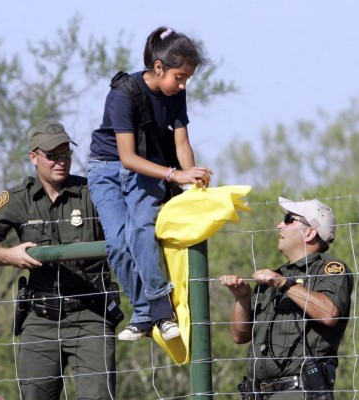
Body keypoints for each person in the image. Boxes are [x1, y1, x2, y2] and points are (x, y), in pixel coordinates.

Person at [0, 119, 117, 400]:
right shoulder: (18, 198)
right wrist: (8, 255)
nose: (61, 161)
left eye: (66, 154)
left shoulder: (92, 192)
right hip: (40, 318)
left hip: (91, 312)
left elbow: (125, 229)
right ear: (33, 157)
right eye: (52, 156)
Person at [87, 26, 213, 342]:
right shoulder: (123, 95)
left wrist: (192, 180)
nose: (183, 84)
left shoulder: (176, 94)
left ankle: (159, 308)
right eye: (179, 77)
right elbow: (127, 158)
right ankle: (145, 311)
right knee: (117, 242)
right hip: (109, 168)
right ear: (158, 68)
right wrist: (174, 175)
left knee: (141, 228)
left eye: (187, 79)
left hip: (151, 166)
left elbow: (182, 143)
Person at [220, 197, 353, 399]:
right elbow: (240, 336)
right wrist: (243, 298)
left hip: (299, 391)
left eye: (289, 219)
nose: (279, 225)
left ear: (309, 232)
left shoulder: (330, 269)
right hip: (258, 393)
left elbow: (329, 314)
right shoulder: (276, 276)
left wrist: (284, 284)